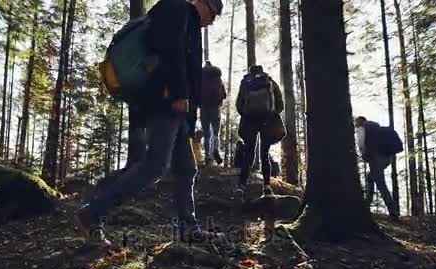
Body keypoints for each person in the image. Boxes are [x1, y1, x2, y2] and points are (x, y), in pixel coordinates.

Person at [74, 0, 224, 244]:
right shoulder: (178, 9)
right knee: (154, 166)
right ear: (203, 3)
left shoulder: (186, 18)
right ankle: (92, 213)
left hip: (176, 106)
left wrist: (187, 110)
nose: (213, 20)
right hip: (167, 102)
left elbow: (184, 61)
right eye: (214, 12)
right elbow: (170, 51)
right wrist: (178, 93)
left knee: (186, 168)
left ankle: (188, 227)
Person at [235, 65, 285, 196]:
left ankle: (241, 186)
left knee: (248, 153)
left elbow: (239, 104)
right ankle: (267, 186)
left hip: (250, 121)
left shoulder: (246, 82)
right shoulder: (269, 81)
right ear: (262, 71)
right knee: (264, 154)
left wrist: (246, 114)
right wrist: (273, 114)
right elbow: (280, 103)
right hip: (267, 120)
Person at [354, 116, 402, 218]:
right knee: (370, 177)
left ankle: (392, 211)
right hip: (387, 158)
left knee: (380, 183)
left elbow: (361, 144)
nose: (355, 125)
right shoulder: (377, 127)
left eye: (356, 123)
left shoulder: (362, 127)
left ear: (360, 121)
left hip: (376, 158)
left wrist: (364, 154)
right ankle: (367, 204)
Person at [200, 61, 226, 166]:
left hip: (204, 108)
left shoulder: (201, 78)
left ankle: (207, 156)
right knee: (215, 133)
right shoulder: (217, 78)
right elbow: (224, 95)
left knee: (206, 134)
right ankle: (215, 149)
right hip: (215, 108)